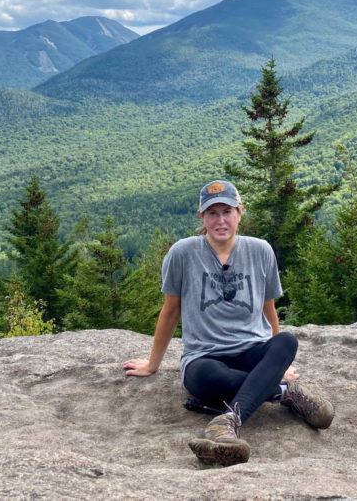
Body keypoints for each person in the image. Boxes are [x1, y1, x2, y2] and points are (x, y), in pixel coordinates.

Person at [123, 179, 334, 466]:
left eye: (227, 212)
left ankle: (225, 424)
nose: (220, 220)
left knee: (287, 342)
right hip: (205, 355)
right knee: (206, 378)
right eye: (212, 213)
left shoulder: (261, 250)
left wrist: (279, 364)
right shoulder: (183, 253)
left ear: (240, 213)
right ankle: (282, 394)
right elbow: (171, 310)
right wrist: (152, 364)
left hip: (252, 349)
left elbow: (267, 305)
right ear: (202, 217)